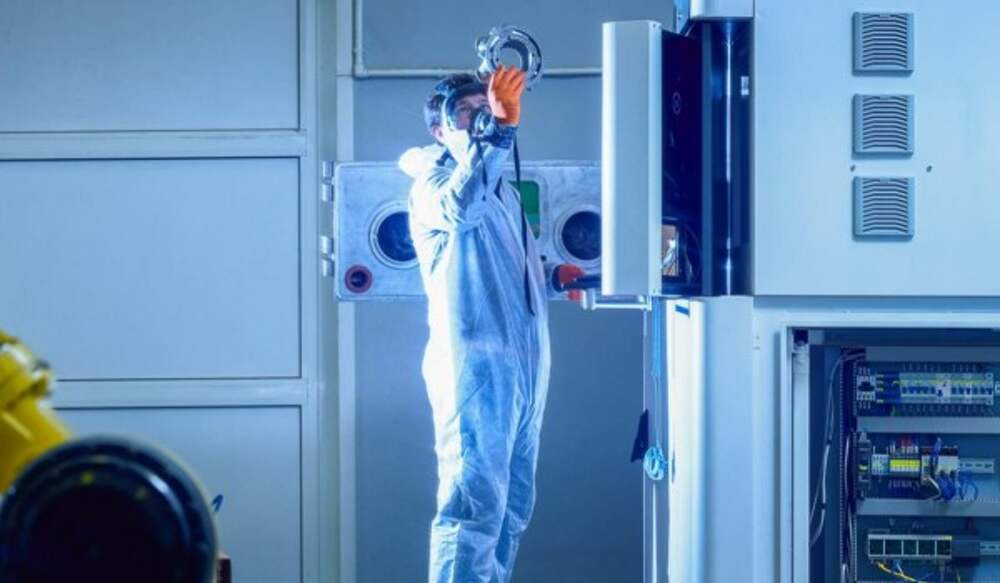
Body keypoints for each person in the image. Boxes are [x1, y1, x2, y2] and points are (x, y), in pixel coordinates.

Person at [398, 65, 584, 583]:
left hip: (523, 365)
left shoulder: (500, 188)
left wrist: (551, 275)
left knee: (512, 507)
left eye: (486, 108)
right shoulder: (434, 183)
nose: (480, 117)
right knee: (472, 506)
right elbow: (462, 208)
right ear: (440, 130)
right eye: (466, 111)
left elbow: (505, 262)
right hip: (476, 368)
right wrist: (499, 133)